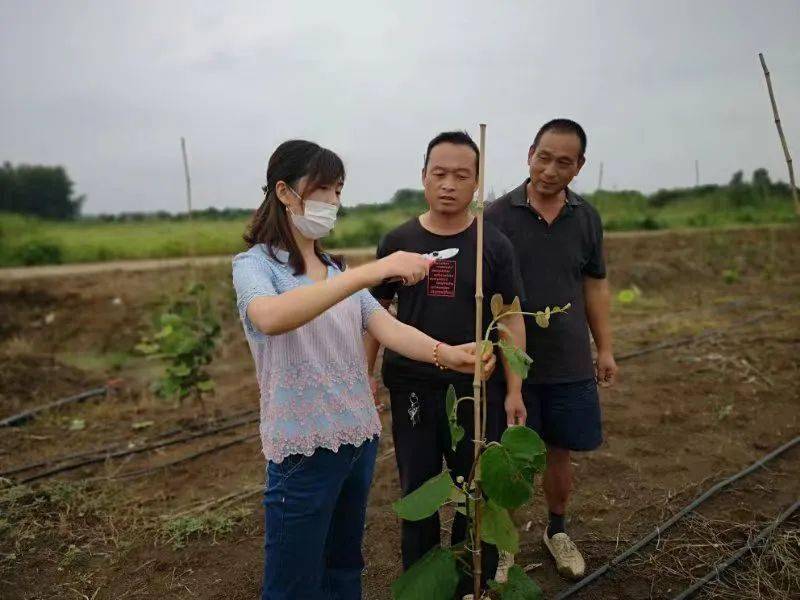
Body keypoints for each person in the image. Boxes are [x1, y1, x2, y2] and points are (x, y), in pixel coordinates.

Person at [232, 139, 496, 600]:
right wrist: (371, 272)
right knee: (292, 581)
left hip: (357, 438)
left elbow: (387, 328)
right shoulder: (255, 267)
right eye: (323, 190)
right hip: (303, 448)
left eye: (338, 190)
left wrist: (448, 353)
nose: (333, 201)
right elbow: (271, 318)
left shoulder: (335, 269)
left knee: (343, 566)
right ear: (284, 192)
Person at [365, 131, 526, 591]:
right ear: (423, 177)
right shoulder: (398, 243)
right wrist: (366, 376)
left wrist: (514, 389)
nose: (449, 184)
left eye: (461, 175)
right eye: (440, 173)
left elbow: (511, 318)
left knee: (475, 488)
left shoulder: (493, 245)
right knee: (417, 490)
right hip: (413, 385)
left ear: (477, 182)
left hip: (478, 389)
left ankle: (467, 582)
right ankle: (418, 583)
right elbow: (373, 316)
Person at [484, 119, 618, 580]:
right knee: (509, 455)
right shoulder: (495, 217)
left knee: (560, 453)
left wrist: (604, 349)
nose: (550, 170)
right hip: (509, 363)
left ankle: (556, 531)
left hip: (568, 361)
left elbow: (594, 286)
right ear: (529, 154)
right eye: (544, 157)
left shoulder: (587, 218)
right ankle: (503, 546)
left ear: (579, 166)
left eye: (564, 162)